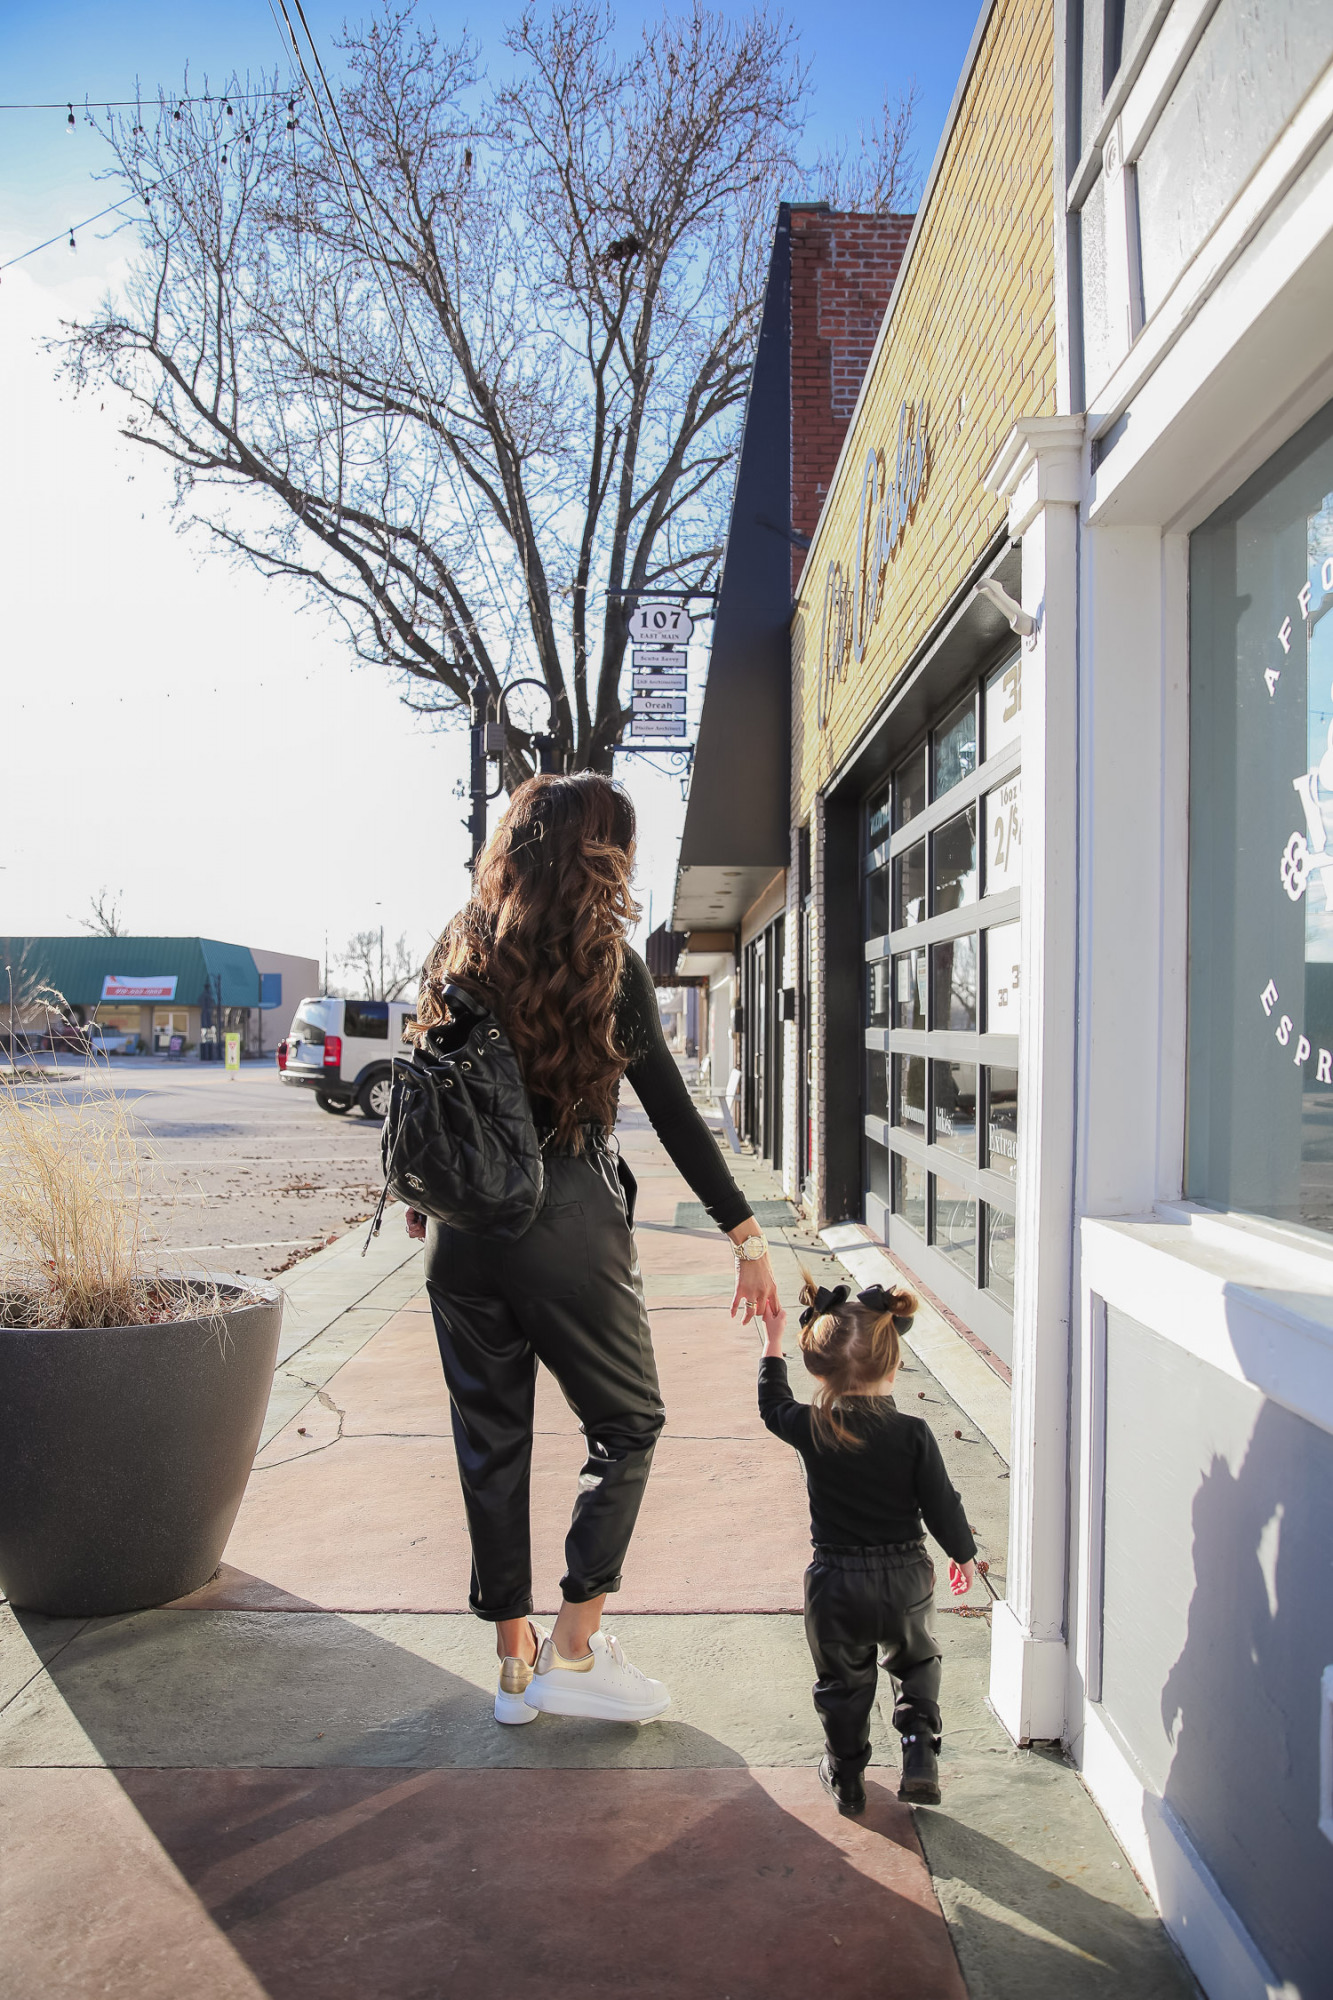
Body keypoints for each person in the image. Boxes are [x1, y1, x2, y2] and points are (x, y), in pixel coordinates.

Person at [405, 772, 778, 1727]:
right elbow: (673, 1115)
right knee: (629, 1425)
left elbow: (432, 1095)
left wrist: (425, 1199)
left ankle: (514, 1670)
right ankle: (573, 1646)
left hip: (461, 1236)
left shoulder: (458, 945)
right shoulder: (603, 959)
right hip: (562, 1220)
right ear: (596, 850)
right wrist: (745, 1234)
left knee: (490, 1446)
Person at [756, 1275, 977, 1815]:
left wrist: (773, 1342)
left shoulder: (811, 1426)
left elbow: (771, 1404)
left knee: (843, 1682)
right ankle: (919, 1747)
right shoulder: (913, 1433)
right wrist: (963, 1554)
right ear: (894, 1364)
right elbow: (940, 1502)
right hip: (905, 1576)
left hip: (835, 1584)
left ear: (818, 1368)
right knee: (917, 1660)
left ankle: (848, 1772)